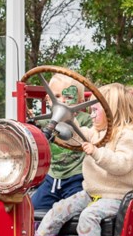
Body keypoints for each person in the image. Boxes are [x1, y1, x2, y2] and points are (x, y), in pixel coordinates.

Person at [33, 83, 133, 236]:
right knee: (57, 210)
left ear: (112, 111)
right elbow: (76, 135)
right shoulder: (97, 132)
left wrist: (97, 153)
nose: (91, 112)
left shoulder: (129, 137)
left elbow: (121, 164)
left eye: (96, 109)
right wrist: (62, 122)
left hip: (116, 196)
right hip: (92, 193)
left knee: (89, 216)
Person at [31, 74, 91, 213]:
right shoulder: (45, 122)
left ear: (80, 102)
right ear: (48, 99)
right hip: (51, 178)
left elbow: (90, 138)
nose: (62, 101)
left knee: (77, 211)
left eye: (69, 98)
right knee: (32, 210)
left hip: (76, 178)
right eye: (56, 97)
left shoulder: (85, 120)